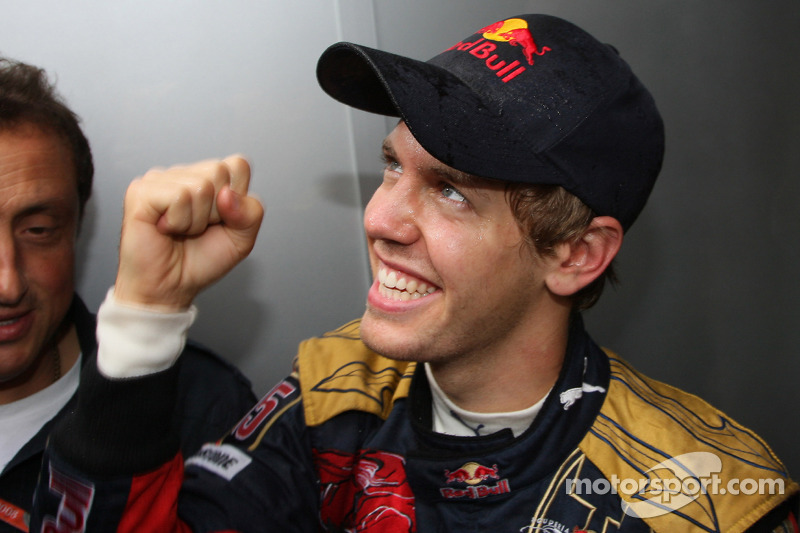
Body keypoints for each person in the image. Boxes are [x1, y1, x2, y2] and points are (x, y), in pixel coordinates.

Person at [30, 13, 799, 532]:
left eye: (452, 190)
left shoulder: (712, 497)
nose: (379, 218)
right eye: (392, 166)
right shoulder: (334, 389)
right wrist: (143, 318)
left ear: (575, 254)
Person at [0, 56, 258, 533]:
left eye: (38, 230)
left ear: (78, 227)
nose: (8, 283)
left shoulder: (198, 403)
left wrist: (143, 333)